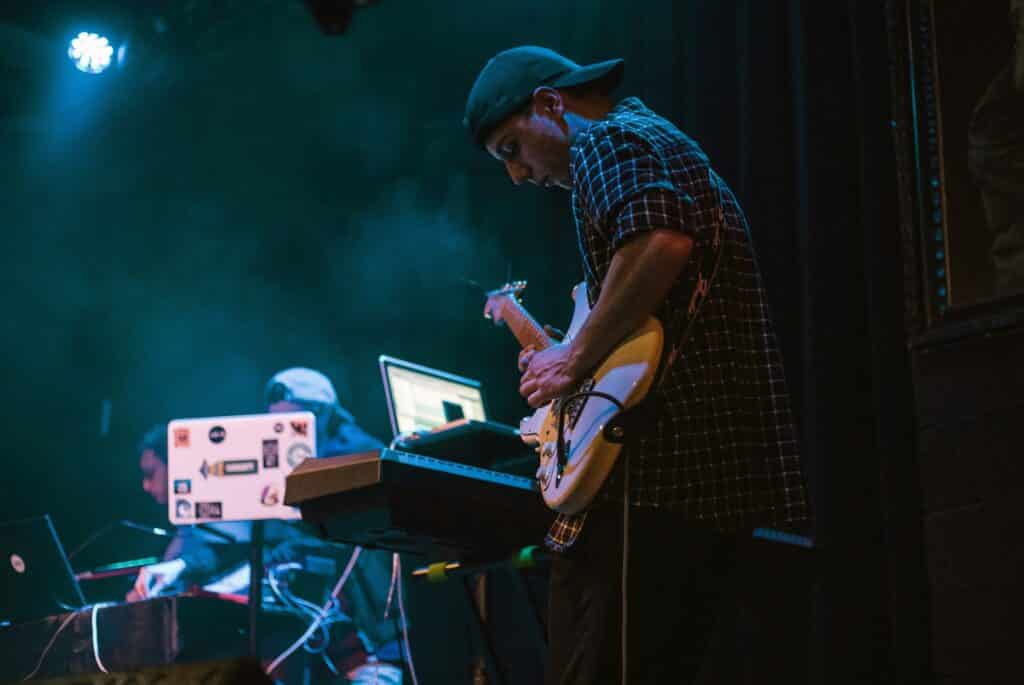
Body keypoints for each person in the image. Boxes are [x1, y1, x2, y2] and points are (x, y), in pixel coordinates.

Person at [464, 46, 814, 683]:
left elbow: (660, 239)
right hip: (712, 483)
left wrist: (573, 358)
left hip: (656, 480)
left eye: (513, 149)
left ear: (550, 104)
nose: (517, 176)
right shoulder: (655, 139)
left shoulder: (605, 141)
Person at [128, 367, 403, 684]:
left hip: (376, 643)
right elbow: (235, 534)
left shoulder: (359, 457)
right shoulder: (282, 466)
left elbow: (322, 542)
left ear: (324, 416)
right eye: (279, 424)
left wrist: (260, 568)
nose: (286, 434)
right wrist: (181, 566)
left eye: (295, 423)